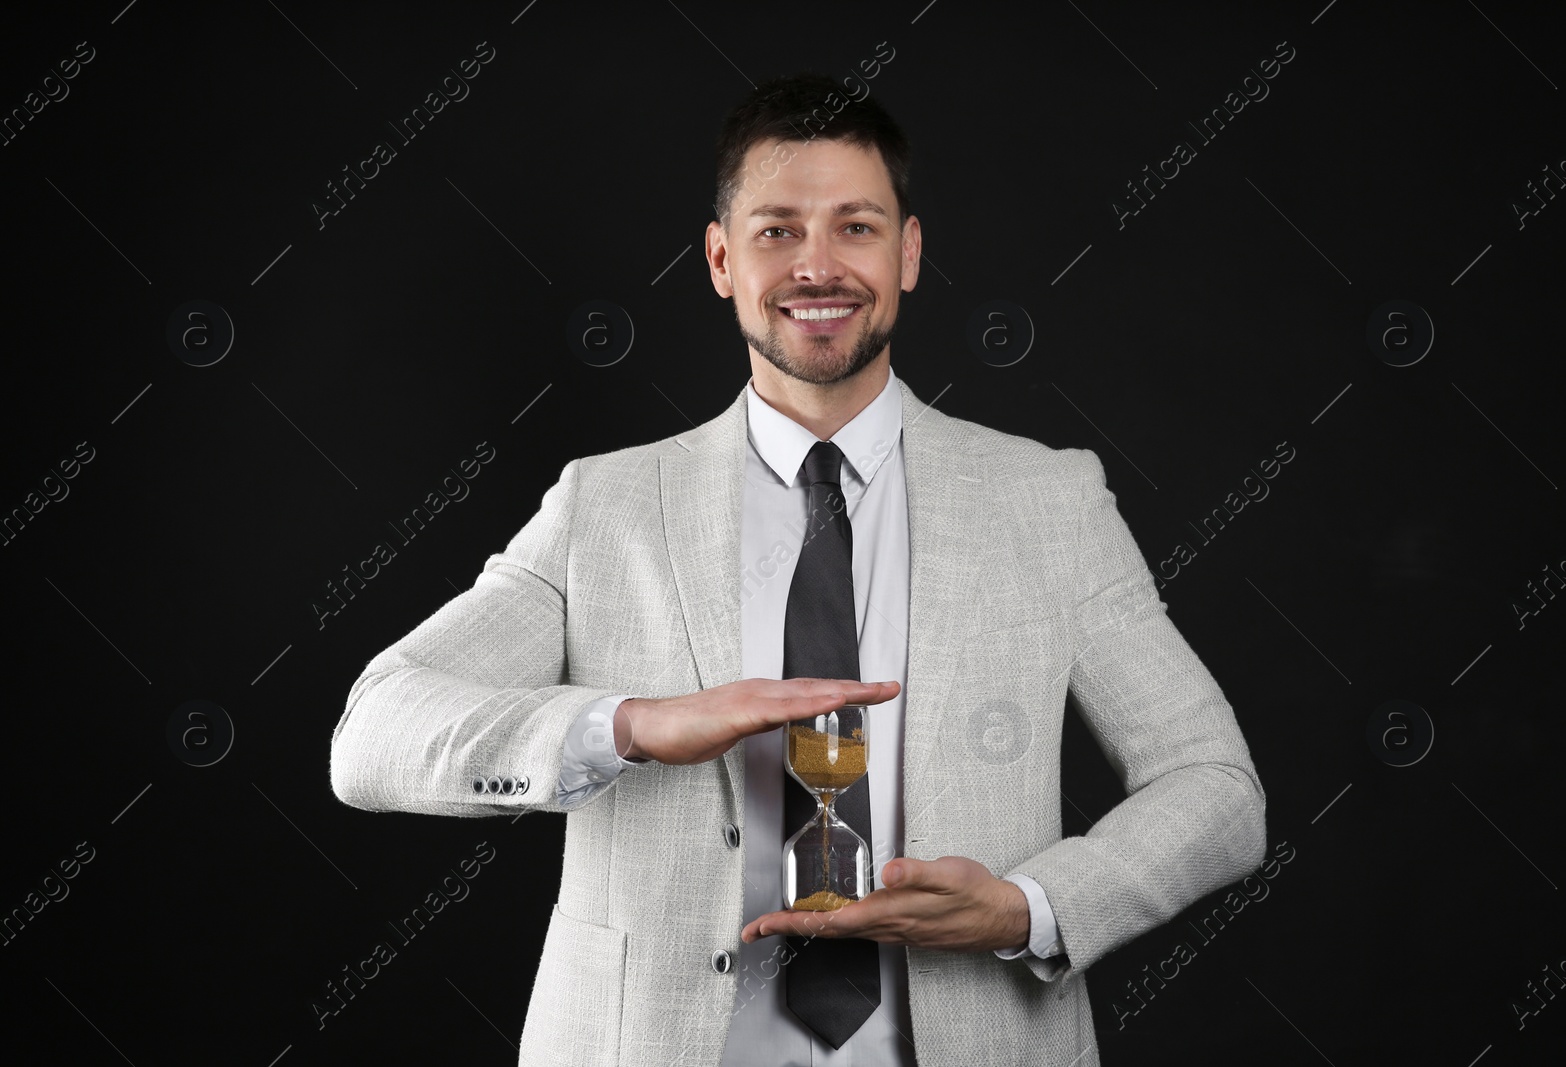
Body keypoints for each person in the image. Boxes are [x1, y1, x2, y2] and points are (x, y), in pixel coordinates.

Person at [328, 72, 1266, 1067]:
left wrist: (1025, 908)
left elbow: (1216, 788)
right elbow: (374, 732)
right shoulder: (603, 506)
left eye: (854, 227)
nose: (817, 265)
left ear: (907, 253)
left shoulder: (1048, 501)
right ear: (722, 259)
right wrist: (631, 723)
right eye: (777, 230)